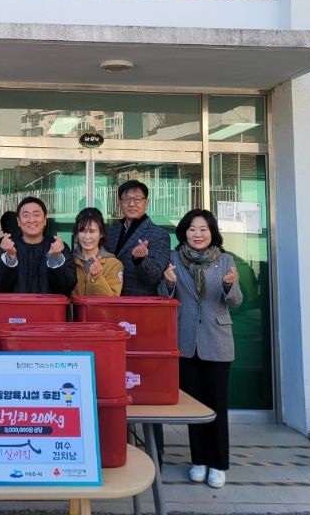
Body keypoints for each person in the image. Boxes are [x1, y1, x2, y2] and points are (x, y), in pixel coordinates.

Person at [160, 209, 242, 489]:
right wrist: (169, 283)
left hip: (217, 341)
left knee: (217, 405)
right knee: (194, 407)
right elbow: (164, 297)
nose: (198, 234)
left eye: (203, 229)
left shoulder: (226, 260)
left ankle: (218, 464)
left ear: (212, 233)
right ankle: (199, 460)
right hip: (186, 342)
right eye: (192, 229)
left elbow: (236, 301)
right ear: (184, 232)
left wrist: (229, 286)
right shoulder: (174, 259)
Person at [106, 179, 171, 463]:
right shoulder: (110, 231)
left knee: (142, 382)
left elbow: (155, 275)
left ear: (147, 203)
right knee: (113, 380)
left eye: (137, 198)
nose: (131, 203)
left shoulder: (158, 235)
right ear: (119, 203)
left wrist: (140, 260)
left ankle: (155, 453)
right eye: (126, 198)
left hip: (140, 317)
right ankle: (118, 444)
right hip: (110, 313)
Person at [0, 196, 77, 295]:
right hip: (15, 305)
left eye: (36, 215)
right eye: (26, 215)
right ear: (18, 221)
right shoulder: (6, 246)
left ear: (45, 220)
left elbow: (66, 287)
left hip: (49, 305)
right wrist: (10, 258)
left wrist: (55, 258)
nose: (31, 220)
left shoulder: (58, 247)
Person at [70, 207, 123, 297]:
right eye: (82, 231)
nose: (87, 237)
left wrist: (97, 278)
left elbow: (112, 300)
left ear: (101, 233)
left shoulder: (114, 264)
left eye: (92, 231)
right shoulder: (70, 261)